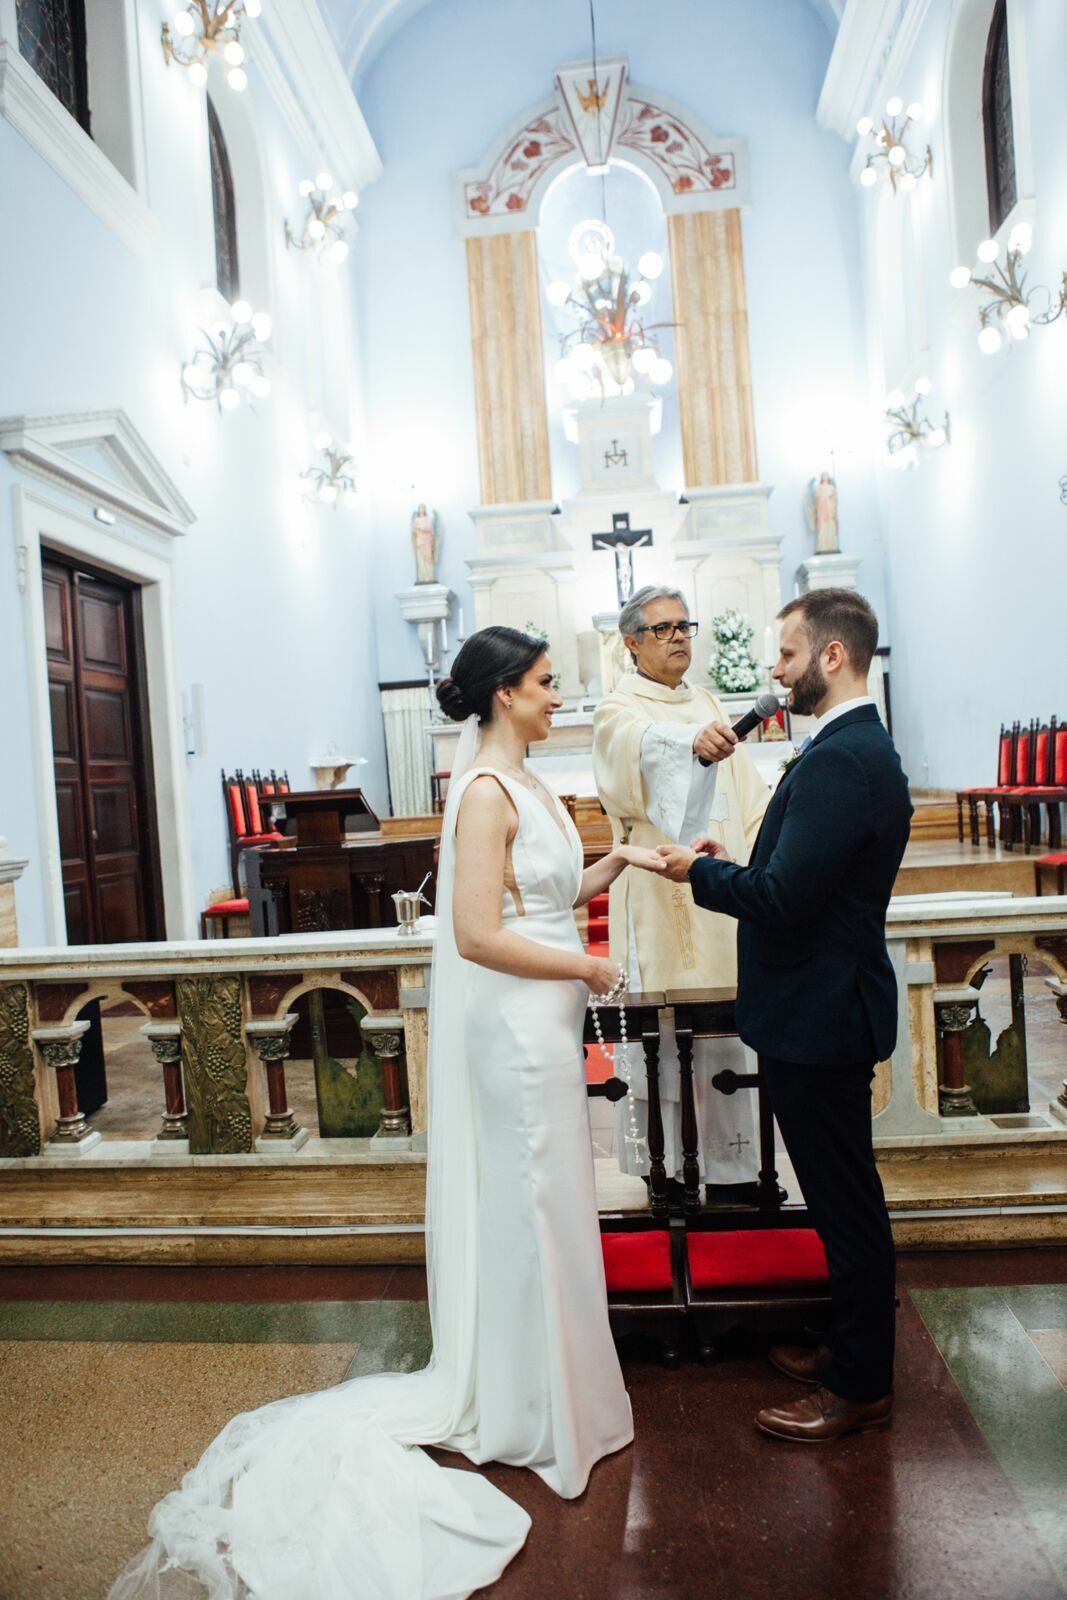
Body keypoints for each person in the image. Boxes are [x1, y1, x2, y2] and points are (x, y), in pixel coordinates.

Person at [110, 625, 667, 1600]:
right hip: (514, 1026)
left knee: (551, 1205)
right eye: (542, 684)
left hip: (540, 1019)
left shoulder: (528, 783)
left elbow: (545, 894)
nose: (553, 697)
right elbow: (478, 934)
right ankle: (526, 1407)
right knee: (531, 1204)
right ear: (501, 694)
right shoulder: (485, 796)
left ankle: (549, 1390)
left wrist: (622, 861)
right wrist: (584, 962)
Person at [657, 589, 912, 1443]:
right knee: (841, 1197)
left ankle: (858, 1383)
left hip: (822, 1012)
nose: (774, 671)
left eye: (788, 656)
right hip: (820, 1005)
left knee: (844, 1205)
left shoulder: (844, 758)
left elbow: (786, 899)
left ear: (832, 657)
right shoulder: (847, 748)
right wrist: (737, 862)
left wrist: (692, 873)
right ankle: (846, 1344)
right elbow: (797, 873)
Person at [593, 585, 772, 1200]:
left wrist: (763, 858)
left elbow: (745, 792)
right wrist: (686, 745)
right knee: (663, 1033)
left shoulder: (708, 699)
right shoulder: (618, 708)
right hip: (655, 888)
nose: (676, 638)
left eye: (683, 626)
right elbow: (630, 755)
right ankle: (665, 1167)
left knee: (726, 1019)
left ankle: (733, 1167)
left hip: (720, 887)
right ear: (632, 643)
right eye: (662, 629)